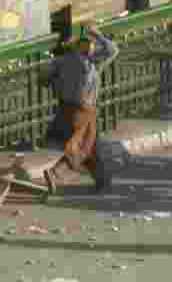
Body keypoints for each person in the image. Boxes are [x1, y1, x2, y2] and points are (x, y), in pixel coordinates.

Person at [43, 25, 120, 195]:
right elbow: (113, 49)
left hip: (65, 109)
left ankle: (102, 180)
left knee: (90, 145)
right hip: (84, 109)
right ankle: (56, 173)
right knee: (84, 146)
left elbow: (43, 79)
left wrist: (58, 82)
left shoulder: (59, 62)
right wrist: (96, 33)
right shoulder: (91, 63)